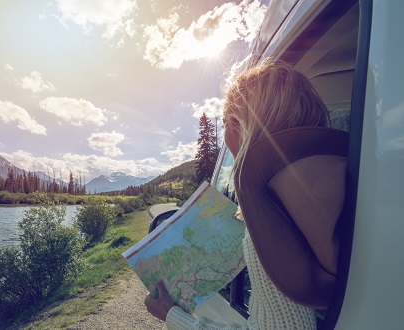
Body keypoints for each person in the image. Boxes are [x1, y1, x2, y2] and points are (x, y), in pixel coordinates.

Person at [144, 59, 348, 329]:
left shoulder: (270, 211)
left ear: (241, 127)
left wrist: (175, 316)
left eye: (229, 121)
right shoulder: (343, 177)